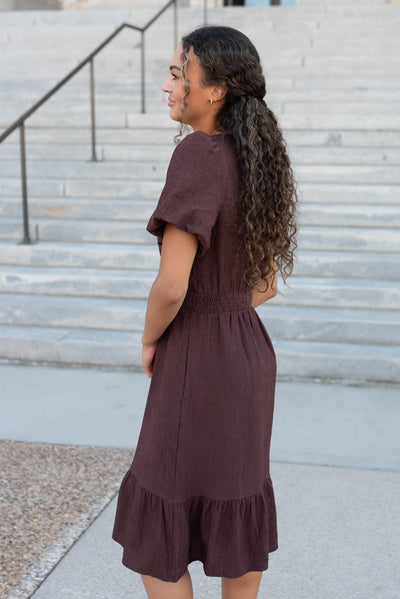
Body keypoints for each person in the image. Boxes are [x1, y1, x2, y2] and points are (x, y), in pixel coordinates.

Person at [111, 25, 298, 599]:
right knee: (234, 516)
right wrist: (224, 312)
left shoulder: (198, 153)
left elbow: (172, 286)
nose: (166, 85)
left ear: (213, 89)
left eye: (176, 73)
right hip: (247, 356)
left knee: (157, 537)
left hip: (198, 358)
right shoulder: (256, 154)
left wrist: (149, 340)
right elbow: (265, 282)